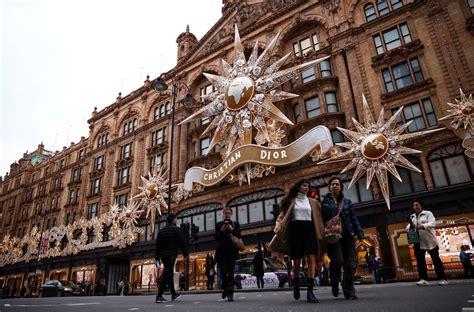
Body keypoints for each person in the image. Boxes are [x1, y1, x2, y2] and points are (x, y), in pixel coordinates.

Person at [270, 179, 325, 303]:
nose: (307, 188)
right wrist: (278, 225)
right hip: (295, 233)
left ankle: (310, 292)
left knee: (311, 259)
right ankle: (296, 284)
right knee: (296, 263)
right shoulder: (291, 201)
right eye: (304, 185)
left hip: (310, 231)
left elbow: (320, 218)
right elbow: (281, 216)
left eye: (308, 186)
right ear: (298, 187)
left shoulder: (313, 202)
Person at [321, 176, 364, 300]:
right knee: (337, 261)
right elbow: (322, 218)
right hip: (333, 236)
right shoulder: (325, 202)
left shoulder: (347, 202)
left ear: (340, 187)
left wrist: (359, 233)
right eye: (332, 184)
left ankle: (349, 291)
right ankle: (334, 283)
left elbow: (353, 218)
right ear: (329, 187)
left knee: (350, 264)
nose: (334, 186)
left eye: (337, 184)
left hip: (347, 235)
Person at [406, 199, 448, 286]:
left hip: (430, 241)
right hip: (418, 242)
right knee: (420, 261)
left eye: (417, 205)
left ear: (421, 205)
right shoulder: (412, 216)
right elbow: (407, 228)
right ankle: (423, 279)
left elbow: (432, 223)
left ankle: (442, 279)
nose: (415, 207)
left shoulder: (428, 213)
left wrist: (423, 226)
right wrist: (411, 226)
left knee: (436, 260)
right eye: (414, 206)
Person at [155, 213, 189, 303]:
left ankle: (173, 294)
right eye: (176, 219)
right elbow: (182, 243)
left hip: (163, 255)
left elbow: (157, 245)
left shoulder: (161, 231)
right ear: (173, 219)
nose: (176, 220)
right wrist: (185, 254)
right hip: (171, 254)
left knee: (169, 273)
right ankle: (159, 295)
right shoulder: (176, 229)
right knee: (166, 273)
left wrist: (157, 258)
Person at [215, 207, 242, 302]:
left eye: (229, 213)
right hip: (221, 252)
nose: (227, 215)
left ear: (231, 214)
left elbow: (239, 236)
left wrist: (232, 230)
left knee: (230, 273)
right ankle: (226, 288)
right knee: (222, 272)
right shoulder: (218, 225)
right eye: (225, 213)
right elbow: (216, 238)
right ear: (223, 214)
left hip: (232, 252)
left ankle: (230, 293)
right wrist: (221, 230)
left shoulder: (235, 224)